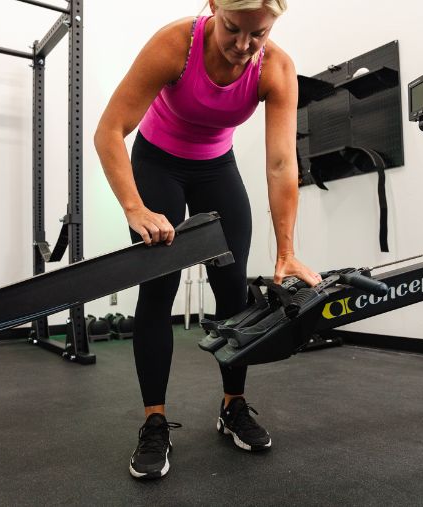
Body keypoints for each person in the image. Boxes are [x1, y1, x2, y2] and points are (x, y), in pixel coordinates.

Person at [94, 0, 320, 479]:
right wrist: (135, 208)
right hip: (158, 163)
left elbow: (281, 165)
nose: (243, 46)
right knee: (159, 289)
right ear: (214, 7)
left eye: (256, 35)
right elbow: (110, 131)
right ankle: (154, 421)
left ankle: (232, 406)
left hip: (217, 169)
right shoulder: (177, 42)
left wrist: (287, 251)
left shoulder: (276, 68)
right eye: (233, 29)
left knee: (233, 293)